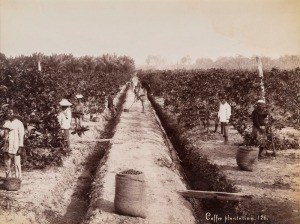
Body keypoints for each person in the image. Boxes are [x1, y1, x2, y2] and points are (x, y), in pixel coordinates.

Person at [2, 107, 24, 178]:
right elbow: (3, 134)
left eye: (11, 113)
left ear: (15, 114)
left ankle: (17, 179)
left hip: (15, 146)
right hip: (7, 146)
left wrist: (20, 147)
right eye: (8, 113)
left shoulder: (19, 123)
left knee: (16, 163)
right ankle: (8, 179)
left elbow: (21, 136)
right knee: (7, 163)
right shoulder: (6, 122)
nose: (9, 114)